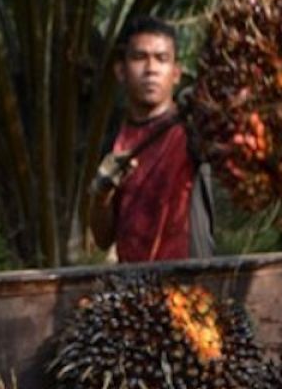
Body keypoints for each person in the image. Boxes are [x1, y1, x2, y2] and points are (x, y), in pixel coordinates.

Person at [88, 16, 214, 263]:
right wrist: (101, 195)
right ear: (121, 71)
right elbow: (103, 239)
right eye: (139, 58)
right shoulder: (114, 140)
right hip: (135, 289)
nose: (151, 69)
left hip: (190, 285)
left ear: (176, 73)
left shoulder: (193, 128)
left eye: (161, 59)